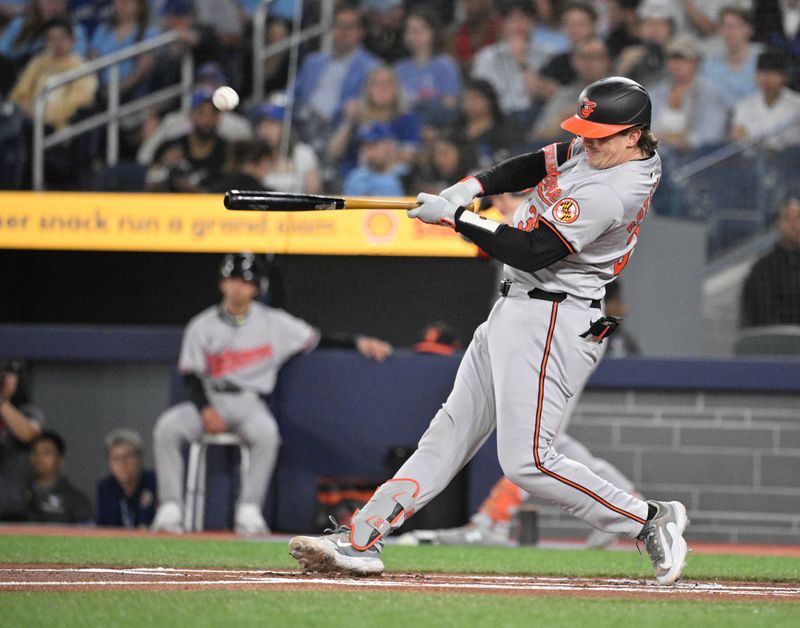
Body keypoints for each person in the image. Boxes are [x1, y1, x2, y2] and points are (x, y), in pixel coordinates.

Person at [289, 76, 690, 587]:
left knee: (528, 462)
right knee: (447, 432)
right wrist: (473, 187)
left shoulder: (617, 188)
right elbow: (536, 163)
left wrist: (456, 218)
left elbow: (532, 250)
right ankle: (362, 537)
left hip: (555, 317)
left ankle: (647, 520)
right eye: (586, 131)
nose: (587, 142)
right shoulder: (604, 149)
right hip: (517, 307)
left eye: (601, 134)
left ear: (634, 135)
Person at [151, 253, 393, 535]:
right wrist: (205, 409)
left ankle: (249, 511)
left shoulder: (274, 323)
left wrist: (359, 342)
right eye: (232, 279)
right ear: (222, 283)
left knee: (267, 434)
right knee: (166, 428)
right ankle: (169, 510)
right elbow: (191, 375)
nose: (238, 287)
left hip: (248, 401)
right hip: (209, 399)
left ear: (256, 287)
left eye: (245, 281)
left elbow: (316, 337)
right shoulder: (201, 325)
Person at [291, 2, 379, 150]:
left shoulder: (371, 67)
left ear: (360, 32)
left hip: (338, 127)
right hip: (303, 121)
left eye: (349, 27)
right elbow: (293, 92)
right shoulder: (313, 61)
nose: (343, 32)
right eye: (338, 26)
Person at [326, 64, 421, 181]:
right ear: (367, 89)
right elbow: (333, 153)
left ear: (397, 89)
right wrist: (349, 121)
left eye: (388, 83)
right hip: (353, 181)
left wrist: (379, 154)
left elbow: (409, 156)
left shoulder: (407, 119)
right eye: (377, 83)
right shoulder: (355, 118)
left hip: (393, 182)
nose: (382, 88)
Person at [9, 16, 97, 129]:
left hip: (61, 127)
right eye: (52, 39)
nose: (57, 44)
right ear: (45, 42)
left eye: (62, 38)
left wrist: (45, 116)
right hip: (31, 121)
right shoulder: (38, 62)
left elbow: (80, 101)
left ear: (73, 40)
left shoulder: (81, 67)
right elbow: (19, 94)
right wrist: (33, 114)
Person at [648, 36, 730, 152]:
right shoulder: (655, 93)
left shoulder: (711, 94)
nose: (677, 64)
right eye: (673, 59)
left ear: (695, 62)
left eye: (683, 59)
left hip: (696, 159)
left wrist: (682, 141)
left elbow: (712, 134)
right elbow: (643, 131)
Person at [145, 87, 228, 193]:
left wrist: (195, 191)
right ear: (191, 115)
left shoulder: (227, 150)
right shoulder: (170, 146)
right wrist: (163, 166)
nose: (207, 119)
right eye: (201, 112)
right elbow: (151, 188)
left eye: (213, 113)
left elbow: (230, 190)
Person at [392, 7, 462, 128]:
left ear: (432, 32)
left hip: (437, 127)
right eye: (409, 31)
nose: (413, 36)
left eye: (418, 31)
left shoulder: (445, 65)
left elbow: (451, 105)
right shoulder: (398, 69)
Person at [741, 197, 800, 327]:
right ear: (778, 224)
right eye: (788, 219)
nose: (795, 225)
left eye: (798, 218)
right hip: (774, 341)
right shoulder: (763, 269)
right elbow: (759, 315)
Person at [730, 49, 800, 150]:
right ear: (756, 76)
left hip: (791, 162)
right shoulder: (744, 106)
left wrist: (751, 137)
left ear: (784, 77)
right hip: (754, 163)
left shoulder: (797, 105)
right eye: (763, 74)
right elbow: (739, 141)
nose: (768, 80)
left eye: (773, 74)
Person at [0, 360, 43, 521]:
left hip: (13, 504)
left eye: (8, 377)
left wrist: (1, 401)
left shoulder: (28, 411)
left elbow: (27, 433)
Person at [251, 100, 322, 195]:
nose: (266, 130)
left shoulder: (303, 153)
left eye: (272, 123)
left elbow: (314, 191)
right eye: (261, 124)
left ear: (286, 127)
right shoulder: (253, 155)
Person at [699, 7, 762, 109]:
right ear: (720, 31)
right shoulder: (709, 65)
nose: (730, 31)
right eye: (725, 26)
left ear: (749, 29)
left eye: (735, 26)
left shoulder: (762, 59)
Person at [26, 430, 92, 523]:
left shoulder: (74, 499)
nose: (39, 458)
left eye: (46, 453)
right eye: (34, 452)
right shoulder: (17, 492)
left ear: (59, 459)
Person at [96, 428, 157, 528]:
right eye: (116, 458)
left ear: (139, 458)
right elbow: (104, 526)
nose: (123, 463)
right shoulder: (106, 487)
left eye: (128, 456)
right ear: (109, 463)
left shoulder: (154, 483)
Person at [342, 121, 405, 197]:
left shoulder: (407, 175)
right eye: (364, 147)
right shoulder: (356, 179)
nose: (369, 153)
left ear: (389, 145)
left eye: (373, 145)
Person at [205, 139, 274, 194]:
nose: (269, 167)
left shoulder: (212, 191)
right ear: (263, 161)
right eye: (269, 162)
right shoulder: (267, 196)